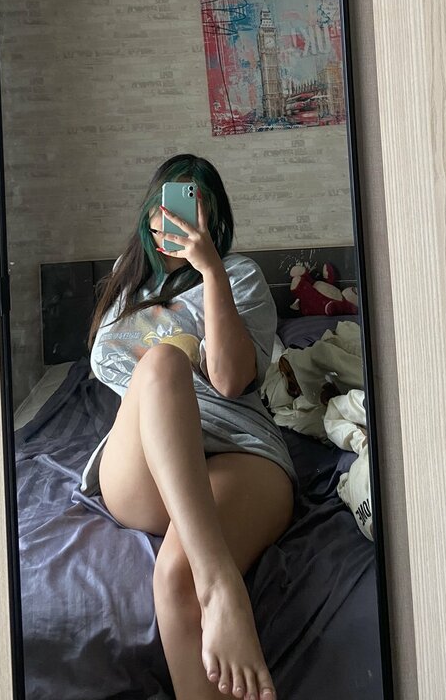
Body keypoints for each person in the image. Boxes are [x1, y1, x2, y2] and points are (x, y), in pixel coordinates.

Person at [82, 154, 299, 700]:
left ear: (215, 218)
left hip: (237, 450)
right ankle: (224, 587)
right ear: (151, 213)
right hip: (147, 464)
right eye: (171, 206)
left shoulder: (238, 275)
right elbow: (112, 370)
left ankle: (214, 588)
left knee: (177, 578)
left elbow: (230, 379)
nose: (180, 220)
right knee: (162, 363)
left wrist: (211, 270)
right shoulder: (126, 288)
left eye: (195, 208)